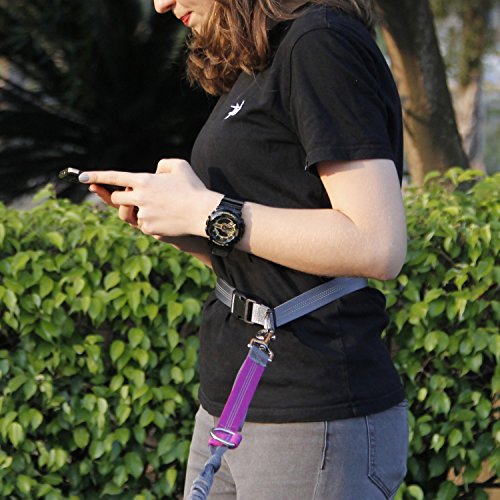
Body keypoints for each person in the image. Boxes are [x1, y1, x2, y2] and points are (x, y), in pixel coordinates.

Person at [79, 0, 409, 498]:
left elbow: (377, 243)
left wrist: (208, 213)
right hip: (232, 398)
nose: (161, 5)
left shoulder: (320, 42)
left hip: (311, 410)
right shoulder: (263, 59)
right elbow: (273, 262)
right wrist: (183, 226)